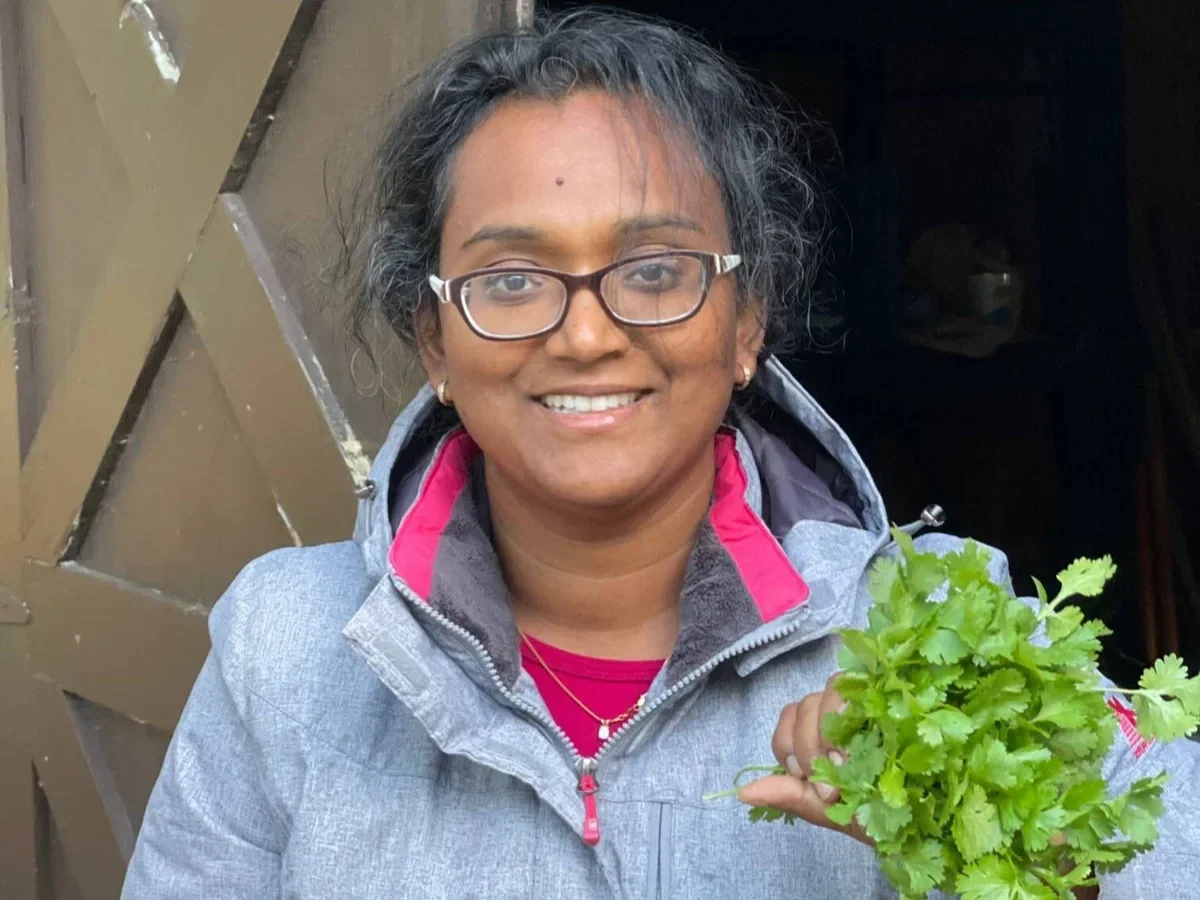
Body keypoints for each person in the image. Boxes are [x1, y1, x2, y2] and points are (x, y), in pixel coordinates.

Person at [122, 9, 1200, 899]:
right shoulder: (289, 651)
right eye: (511, 280)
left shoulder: (933, 639)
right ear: (434, 341)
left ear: (745, 326)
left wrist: (1035, 861)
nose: (585, 334)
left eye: (653, 271)